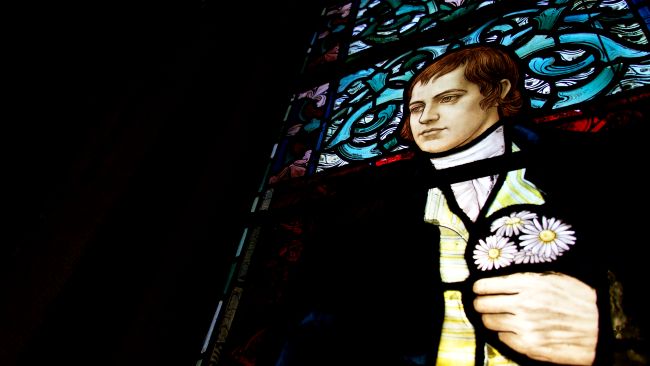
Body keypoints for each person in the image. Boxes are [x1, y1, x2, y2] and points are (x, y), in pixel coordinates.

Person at [273, 45, 626, 366]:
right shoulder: (369, 209)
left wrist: (617, 328)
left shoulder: (590, 167)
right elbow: (320, 324)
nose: (425, 117)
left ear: (498, 92)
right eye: (416, 107)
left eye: (449, 98)